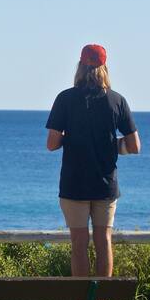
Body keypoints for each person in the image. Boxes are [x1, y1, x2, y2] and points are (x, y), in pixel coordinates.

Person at [46, 44, 140, 278]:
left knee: (79, 243)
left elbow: (51, 144)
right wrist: (110, 144)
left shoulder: (65, 98)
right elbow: (134, 146)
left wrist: (71, 138)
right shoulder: (117, 101)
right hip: (105, 184)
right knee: (103, 241)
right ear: (104, 67)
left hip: (73, 184)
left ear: (80, 66)